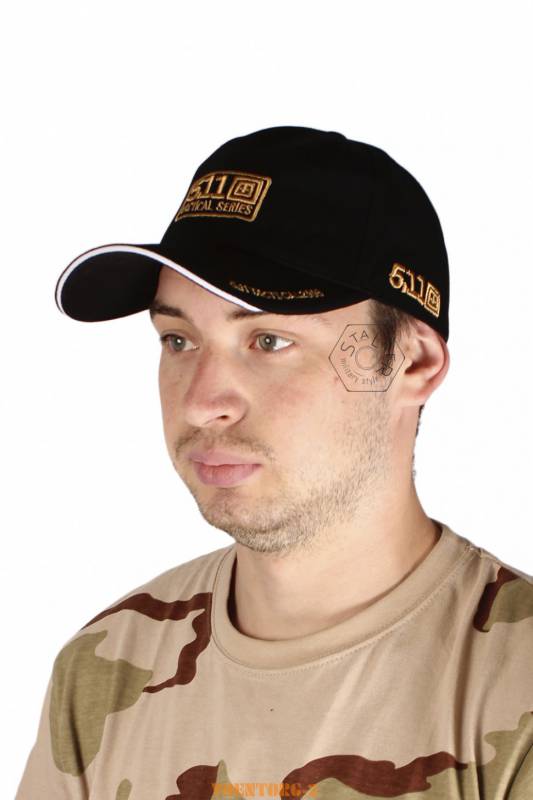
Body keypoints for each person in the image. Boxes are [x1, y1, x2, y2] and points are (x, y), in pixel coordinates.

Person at [16, 126, 533, 798]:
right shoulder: (103, 669)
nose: (203, 403)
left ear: (412, 362)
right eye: (178, 340)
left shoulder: (513, 682)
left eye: (268, 340)